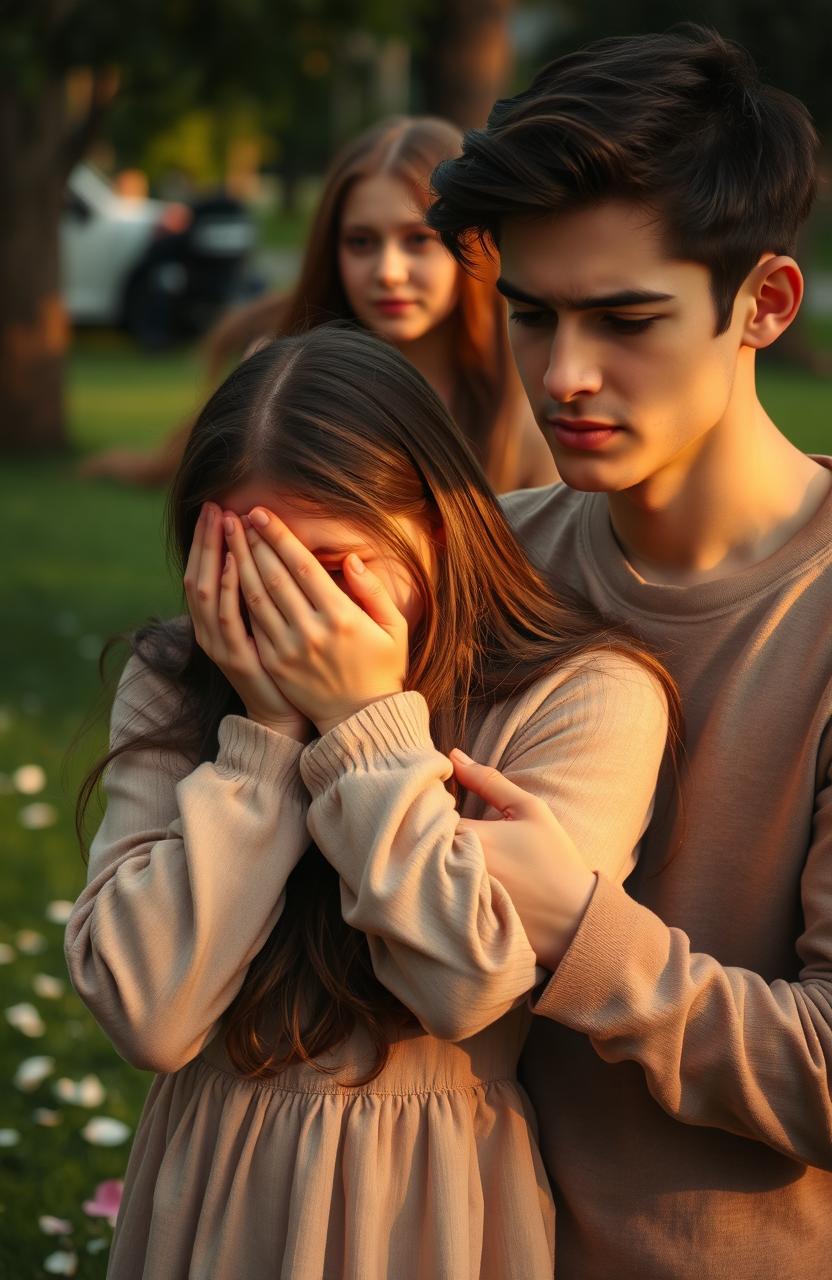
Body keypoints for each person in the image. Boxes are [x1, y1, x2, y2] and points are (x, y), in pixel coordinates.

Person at [65, 324, 671, 1280]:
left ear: (436, 524)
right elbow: (148, 1010)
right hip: (212, 1186)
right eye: (252, 570)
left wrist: (362, 727)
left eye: (330, 564)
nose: (296, 613)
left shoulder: (586, 696)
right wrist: (262, 744)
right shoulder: (179, 679)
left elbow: (463, 983)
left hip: (427, 1199)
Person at [422, 22, 832, 1280]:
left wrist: (582, 935)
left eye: (625, 318)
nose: (564, 374)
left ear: (760, 302)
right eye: (533, 317)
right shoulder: (478, 558)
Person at [80, 116, 556, 493]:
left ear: (471, 247)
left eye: (417, 240)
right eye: (361, 242)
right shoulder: (286, 388)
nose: (388, 271)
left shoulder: (529, 413)